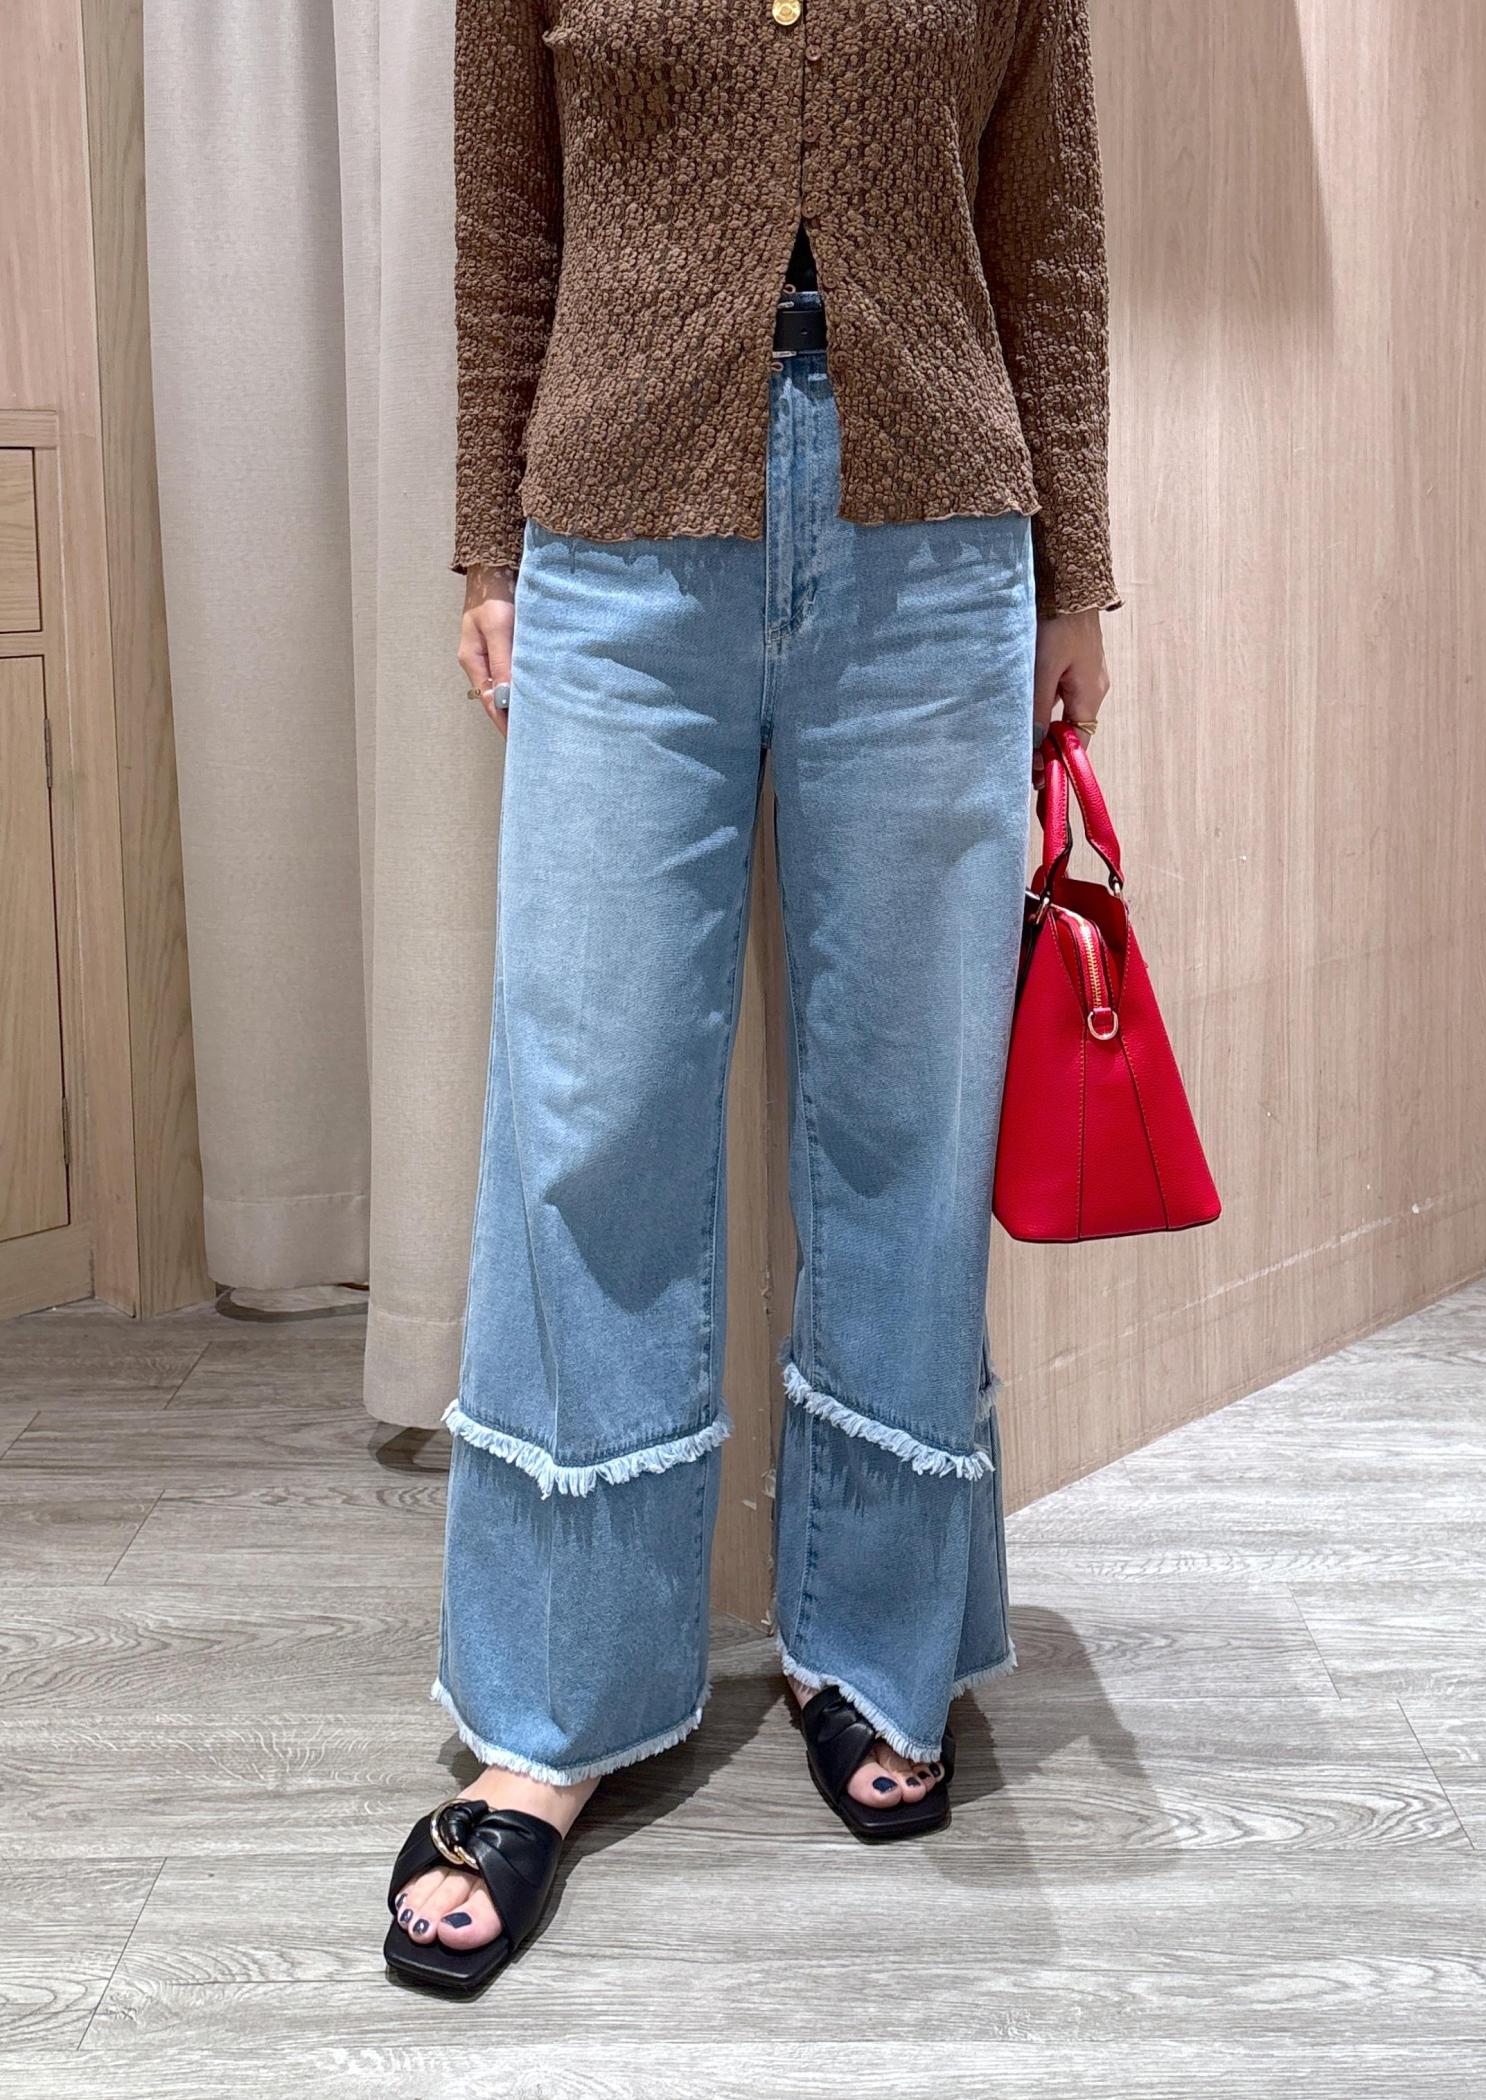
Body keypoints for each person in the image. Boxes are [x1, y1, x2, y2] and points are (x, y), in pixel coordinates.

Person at [385, 0, 1117, 1996]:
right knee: (591, 1106)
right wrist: (485, 538)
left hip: (937, 547)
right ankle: (554, 1712)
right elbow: (504, 224)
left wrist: (1075, 570)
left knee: (908, 1108)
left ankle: (872, 1645)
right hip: (620, 546)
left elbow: (1047, 238)